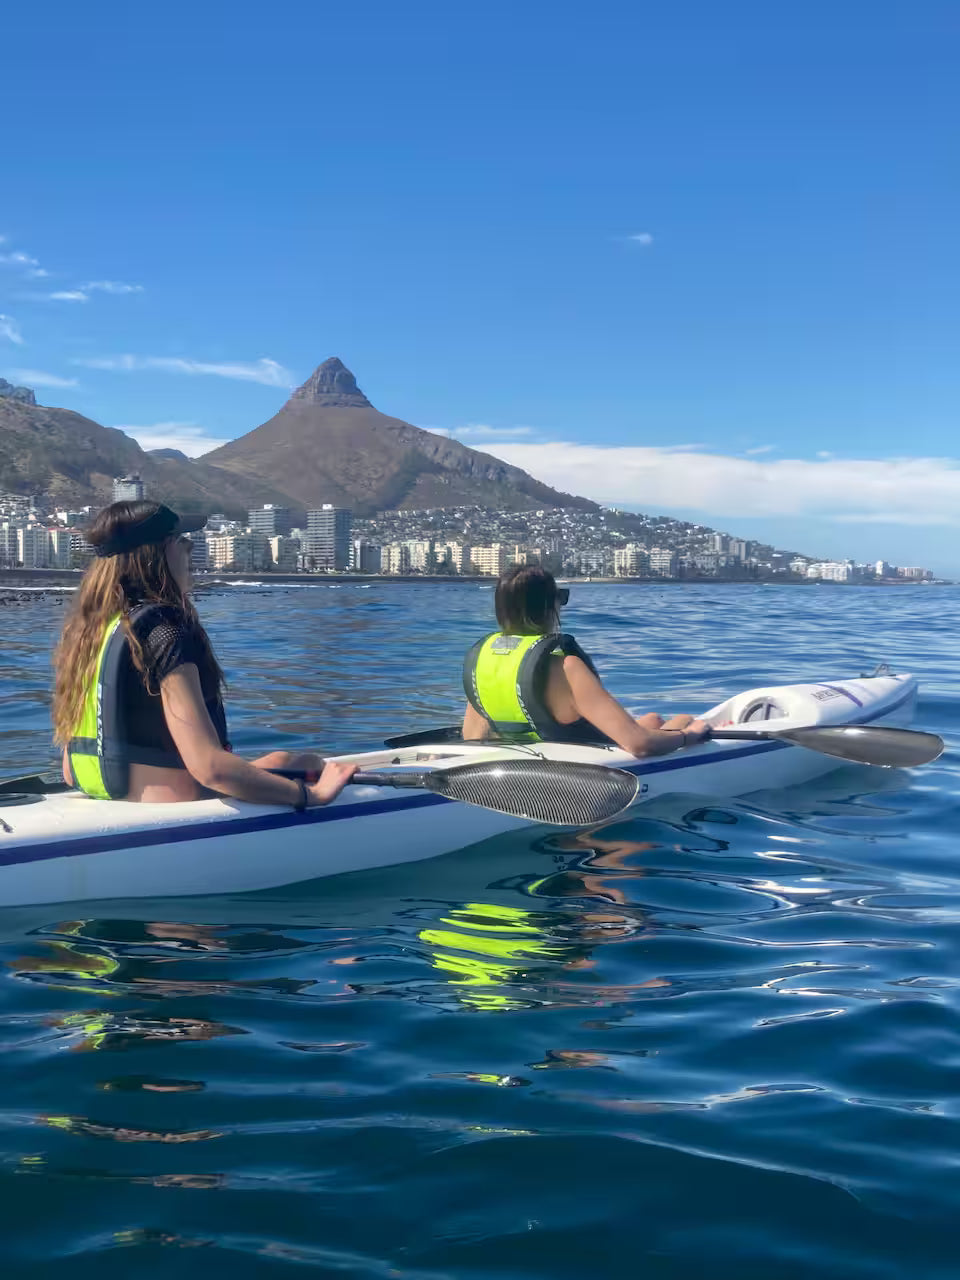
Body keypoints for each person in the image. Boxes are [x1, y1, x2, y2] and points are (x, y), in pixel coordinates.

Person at [51, 500, 356, 809]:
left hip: (104, 798)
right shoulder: (163, 631)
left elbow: (68, 769)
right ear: (158, 554)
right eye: (182, 541)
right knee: (304, 764)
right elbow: (210, 769)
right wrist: (311, 796)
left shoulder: (88, 634)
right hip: (177, 807)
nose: (190, 548)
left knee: (286, 760)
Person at [461, 564, 710, 757]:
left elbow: (471, 736)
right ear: (550, 606)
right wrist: (688, 735)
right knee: (685, 720)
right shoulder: (566, 668)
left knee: (653, 719)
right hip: (582, 764)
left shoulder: (485, 664)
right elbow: (639, 745)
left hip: (524, 755)